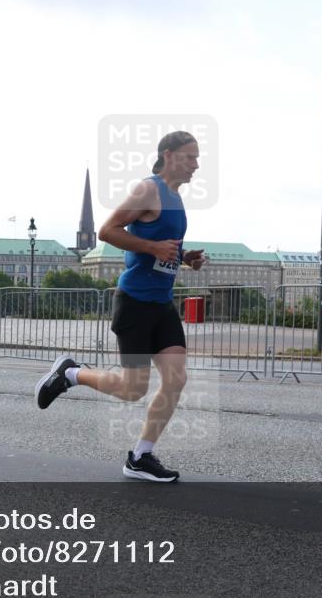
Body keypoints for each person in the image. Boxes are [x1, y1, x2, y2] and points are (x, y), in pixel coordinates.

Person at [34, 131, 207, 482]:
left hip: (162, 303)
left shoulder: (174, 197)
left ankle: (141, 456)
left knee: (176, 379)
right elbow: (107, 230)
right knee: (133, 389)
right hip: (135, 303)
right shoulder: (149, 189)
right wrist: (151, 248)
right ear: (170, 155)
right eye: (191, 157)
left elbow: (163, 246)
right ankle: (70, 374)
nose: (196, 165)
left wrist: (185, 257)